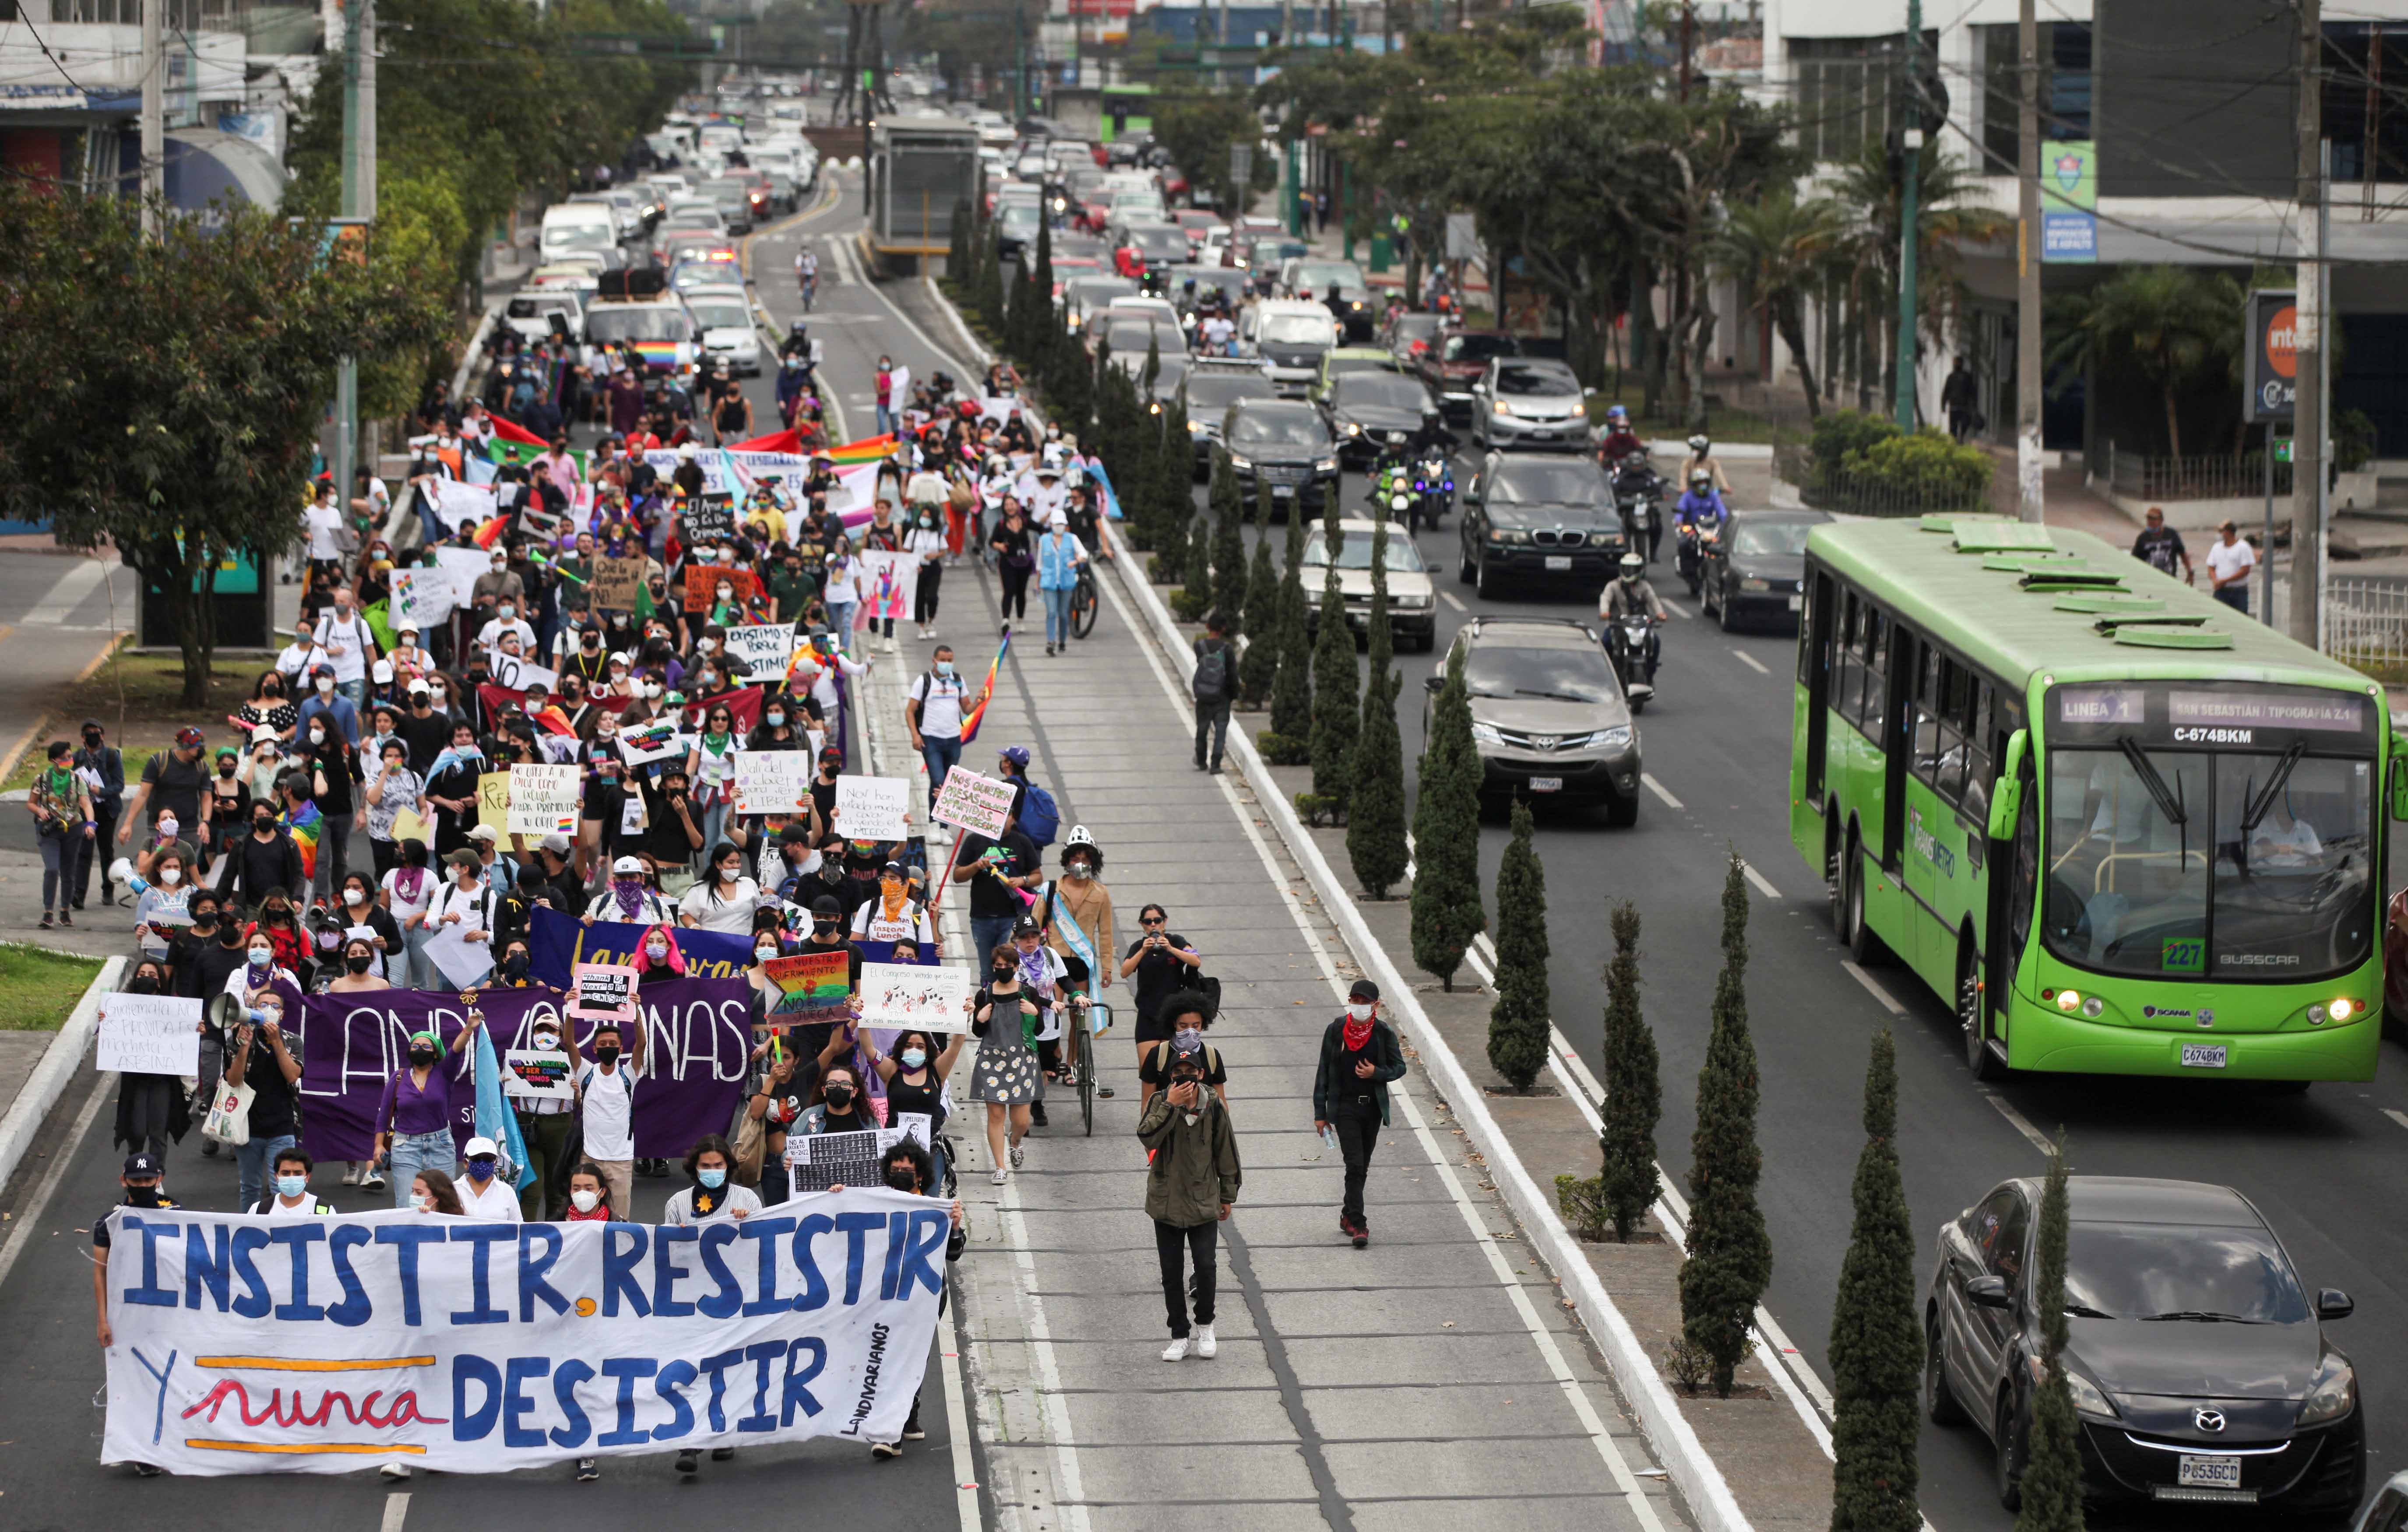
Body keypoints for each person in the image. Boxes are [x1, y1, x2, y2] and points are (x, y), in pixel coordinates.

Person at [1138, 1039, 1241, 1363]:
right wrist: (1170, 1105)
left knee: (1207, 1266)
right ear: (1170, 1077)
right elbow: (1146, 1135)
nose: (1184, 1078)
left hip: (1203, 1200)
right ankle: (1179, 1334)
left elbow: (1226, 1150)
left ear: (1200, 1072)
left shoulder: (1213, 1106)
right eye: (1177, 1073)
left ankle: (1206, 1325)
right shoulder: (1160, 1101)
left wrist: (1228, 1195)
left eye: (1189, 1072)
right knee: (1171, 1272)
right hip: (1166, 1201)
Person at [862, 1136, 964, 1459]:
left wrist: (956, 1227)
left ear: (920, 1175)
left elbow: (954, 1253)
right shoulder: (874, 1204)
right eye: (895, 1169)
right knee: (886, 1355)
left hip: (924, 1297)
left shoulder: (936, 1208)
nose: (901, 1173)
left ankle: (894, 1428)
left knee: (908, 1355)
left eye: (907, 1169)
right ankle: (901, 1420)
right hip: (882, 1296)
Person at [92, 1148, 180, 1473]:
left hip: (169, 1313)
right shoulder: (108, 1221)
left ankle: (168, 1441)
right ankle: (142, 1450)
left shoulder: (178, 1213)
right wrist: (102, 1319)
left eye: (148, 1178)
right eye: (136, 1179)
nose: (142, 1184)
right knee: (134, 1381)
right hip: (128, 1315)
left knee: (172, 1375)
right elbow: (100, 1271)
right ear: (123, 1180)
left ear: (160, 1179)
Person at [1312, 979, 1407, 1249]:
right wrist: (1321, 1114)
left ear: (1375, 1004)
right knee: (1354, 1163)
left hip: (1372, 1109)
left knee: (1361, 1166)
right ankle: (1359, 1223)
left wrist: (1376, 1073)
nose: (1360, 1006)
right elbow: (1323, 1073)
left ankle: (1346, 1215)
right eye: (1356, 1000)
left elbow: (1399, 1067)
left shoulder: (1382, 1032)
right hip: (1345, 1109)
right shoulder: (1336, 1030)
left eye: (1366, 1002)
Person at [373, 1015, 482, 1208]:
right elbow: (383, 1116)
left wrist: (468, 1028)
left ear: (435, 1053)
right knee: (407, 1205)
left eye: (426, 1046)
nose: (419, 1050)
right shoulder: (398, 1077)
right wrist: (378, 1146)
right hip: (405, 1147)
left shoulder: (444, 1073)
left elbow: (456, 1050)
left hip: (440, 1145)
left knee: (443, 1204)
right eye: (415, 1046)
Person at [223, 986, 303, 1212]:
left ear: (283, 1014)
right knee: (250, 1187)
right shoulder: (240, 1038)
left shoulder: (292, 1041)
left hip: (282, 1126)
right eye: (263, 1006)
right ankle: (249, 1229)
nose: (269, 1010)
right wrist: (243, 1048)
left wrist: (277, 1042)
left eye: (275, 1006)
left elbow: (292, 1075)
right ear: (253, 1010)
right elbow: (233, 1080)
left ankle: (282, 1229)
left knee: (281, 1186)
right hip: (248, 1127)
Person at [970, 944, 1043, 1184]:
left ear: (1015, 967)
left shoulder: (1028, 993)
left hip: (1022, 1060)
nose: (1002, 970)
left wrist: (1034, 1013)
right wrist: (980, 1019)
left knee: (1022, 1120)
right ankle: (1000, 1167)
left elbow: (1039, 1029)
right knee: (996, 1116)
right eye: (998, 966)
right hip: (993, 1060)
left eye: (1007, 966)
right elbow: (978, 1031)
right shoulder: (986, 995)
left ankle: (1015, 1142)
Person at [109, 961, 188, 1160]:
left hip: (162, 1080)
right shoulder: (122, 1007)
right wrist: (106, 1021)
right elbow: (110, 1038)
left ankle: (158, 1175)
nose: (146, 978)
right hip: (135, 1080)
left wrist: (195, 1030)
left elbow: (184, 1035)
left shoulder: (174, 1010)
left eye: (152, 975)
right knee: (136, 1131)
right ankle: (134, 1171)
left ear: (160, 982)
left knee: (158, 1131)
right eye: (142, 974)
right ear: (135, 979)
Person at [954, 805, 1042, 972]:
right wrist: (976, 866)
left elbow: (1038, 876)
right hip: (982, 918)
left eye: (1007, 815)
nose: (1002, 820)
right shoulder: (975, 840)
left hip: (1012, 917)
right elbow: (957, 876)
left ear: (1013, 819)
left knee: (1008, 968)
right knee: (987, 971)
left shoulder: (1023, 842)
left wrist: (1022, 880)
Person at [574, 1018, 645, 1219]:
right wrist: (570, 1011)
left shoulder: (629, 1075)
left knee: (621, 1219)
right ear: (594, 1050)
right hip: (590, 1157)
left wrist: (637, 1013)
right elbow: (569, 1043)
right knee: (585, 1215)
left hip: (621, 1160)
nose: (608, 1047)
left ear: (621, 1049)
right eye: (603, 1044)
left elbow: (642, 1044)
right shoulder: (586, 1073)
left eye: (613, 1044)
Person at [1120, 903, 1204, 1071]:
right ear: (1142, 924)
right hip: (1147, 1014)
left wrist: (1171, 949)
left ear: (1164, 921)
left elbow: (1196, 960)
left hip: (1172, 1016)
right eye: (1148, 921)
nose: (1153, 925)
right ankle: (1150, 1098)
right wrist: (1143, 951)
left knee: (1169, 1069)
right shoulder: (1139, 946)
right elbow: (1125, 972)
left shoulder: (1176, 941)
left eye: (1157, 920)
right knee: (1147, 1070)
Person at [28, 739, 95, 930]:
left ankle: (65, 910)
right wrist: (39, 811)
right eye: (64, 758)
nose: (68, 760)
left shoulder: (77, 780)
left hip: (73, 829)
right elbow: (31, 803)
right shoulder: (41, 779)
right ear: (53, 760)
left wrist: (90, 823)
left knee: (69, 871)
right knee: (52, 869)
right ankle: (48, 912)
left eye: (69, 756)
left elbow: (86, 803)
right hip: (49, 830)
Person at [70, 719, 124, 910]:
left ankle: (108, 890)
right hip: (85, 810)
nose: (94, 736)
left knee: (106, 851)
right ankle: (79, 894)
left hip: (107, 809)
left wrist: (100, 791)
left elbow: (119, 785)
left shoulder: (112, 756)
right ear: (83, 738)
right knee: (84, 851)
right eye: (89, 733)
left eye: (97, 732)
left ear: (102, 735)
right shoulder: (77, 757)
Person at [423, 849, 498, 986]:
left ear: (465, 869)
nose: (448, 869)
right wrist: (443, 919)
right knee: (446, 1005)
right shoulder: (444, 890)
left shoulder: (488, 895)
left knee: (476, 1006)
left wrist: (482, 935)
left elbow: (498, 935)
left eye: (452, 865)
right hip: (448, 961)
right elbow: (427, 925)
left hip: (477, 964)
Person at [907, 645, 967, 809]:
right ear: (934, 661)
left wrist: (980, 700)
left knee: (948, 783)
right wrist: (915, 735)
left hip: (954, 739)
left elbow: (967, 708)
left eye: (950, 661)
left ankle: (942, 827)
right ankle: (935, 822)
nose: (946, 664)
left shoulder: (958, 680)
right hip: (931, 739)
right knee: (939, 780)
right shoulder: (924, 681)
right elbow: (910, 711)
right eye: (943, 660)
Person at [1600, 553, 1668, 684]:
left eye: (1632, 569)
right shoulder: (1613, 586)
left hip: (1640, 625)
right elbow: (1605, 598)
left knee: (1656, 642)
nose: (1629, 572)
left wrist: (1660, 614)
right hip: (1617, 625)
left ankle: (1650, 672)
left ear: (1639, 570)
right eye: (1626, 568)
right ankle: (1607, 675)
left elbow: (1653, 600)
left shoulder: (1644, 586)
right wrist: (1605, 612)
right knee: (1606, 643)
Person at [680, 840, 763, 933]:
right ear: (718, 864)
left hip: (745, 945)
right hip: (713, 944)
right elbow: (685, 914)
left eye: (738, 862)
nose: (736, 866)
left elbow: (761, 911)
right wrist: (693, 926)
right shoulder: (699, 889)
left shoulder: (749, 884)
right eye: (731, 862)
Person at [1190, 613, 1235, 773]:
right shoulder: (1227, 649)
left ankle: (1201, 760)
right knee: (1221, 729)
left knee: (1202, 728)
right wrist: (1233, 695)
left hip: (1203, 694)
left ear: (1207, 627)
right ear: (1223, 629)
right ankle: (1216, 764)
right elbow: (1232, 675)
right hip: (1222, 695)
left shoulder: (1199, 646)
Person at [1036, 516, 1086, 657]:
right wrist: (1038, 583)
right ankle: (1051, 642)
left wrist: (1075, 562)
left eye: (1061, 524)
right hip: (1049, 582)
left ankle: (1062, 641)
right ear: (1051, 524)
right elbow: (1040, 563)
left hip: (1066, 582)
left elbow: (1084, 554)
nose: (1059, 526)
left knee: (1063, 614)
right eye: (1056, 524)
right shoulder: (1044, 540)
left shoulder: (1072, 538)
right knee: (1051, 612)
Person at [248, 1146, 337, 1217]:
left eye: (297, 1173)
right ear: (277, 1177)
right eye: (285, 1173)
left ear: (307, 1177)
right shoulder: (259, 1211)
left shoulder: (324, 1210)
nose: (291, 1177)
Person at [454, 1133, 523, 1221]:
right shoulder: (453, 1190)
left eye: (488, 1159)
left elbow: (519, 1228)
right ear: (465, 1163)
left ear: (495, 1163)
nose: (482, 1164)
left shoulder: (507, 1192)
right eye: (477, 1159)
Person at [2205, 520, 2257, 615]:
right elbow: (2211, 566)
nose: (2219, 534)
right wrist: (2215, 580)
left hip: (2238, 592)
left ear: (2228, 532)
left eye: (2221, 531)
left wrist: (2225, 581)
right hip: (2221, 591)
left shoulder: (2243, 547)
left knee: (2240, 619)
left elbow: (2245, 570)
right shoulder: (2217, 547)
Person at [2132, 506, 2194, 583]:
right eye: (2149, 519)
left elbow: (2183, 553)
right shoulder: (2143, 538)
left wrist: (2189, 571)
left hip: (2170, 580)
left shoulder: (2171, 534)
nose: (2150, 521)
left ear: (2161, 520)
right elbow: (2134, 560)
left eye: (2154, 519)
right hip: (2149, 581)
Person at [1941, 357, 1979, 443]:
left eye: (1957, 363)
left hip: (1964, 406)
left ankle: (1961, 438)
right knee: (1953, 427)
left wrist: (1973, 404)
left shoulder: (1967, 377)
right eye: (1955, 363)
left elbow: (1972, 391)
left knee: (1965, 424)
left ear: (1961, 364)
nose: (1956, 364)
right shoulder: (1951, 377)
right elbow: (1946, 391)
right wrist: (1943, 404)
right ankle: (1955, 441)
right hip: (1954, 406)